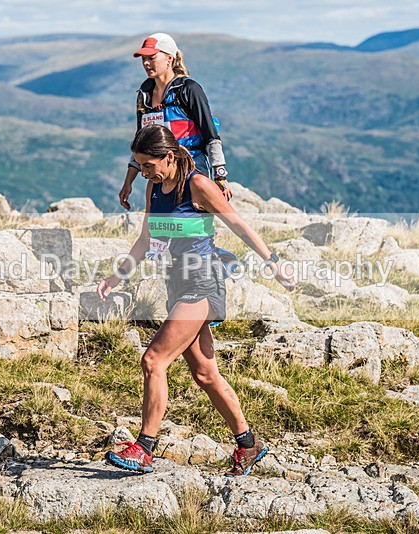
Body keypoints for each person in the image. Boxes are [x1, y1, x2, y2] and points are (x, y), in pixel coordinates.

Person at [98, 124, 296, 475]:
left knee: (153, 360)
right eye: (140, 166)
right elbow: (146, 239)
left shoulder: (198, 185)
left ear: (169, 156)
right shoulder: (153, 188)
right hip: (176, 282)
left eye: (148, 165)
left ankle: (144, 449)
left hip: (204, 282)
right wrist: (118, 275)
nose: (143, 172)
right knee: (205, 373)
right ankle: (249, 446)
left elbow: (239, 225)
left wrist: (274, 263)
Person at [118, 32, 233, 212]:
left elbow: (210, 135)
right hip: (159, 173)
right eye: (143, 59)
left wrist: (220, 176)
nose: (146, 63)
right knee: (161, 225)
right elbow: (141, 143)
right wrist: (128, 182)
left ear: (169, 58)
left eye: (152, 57)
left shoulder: (189, 90)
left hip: (192, 168)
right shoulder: (144, 95)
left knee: (191, 223)